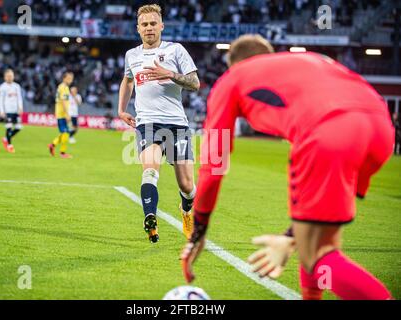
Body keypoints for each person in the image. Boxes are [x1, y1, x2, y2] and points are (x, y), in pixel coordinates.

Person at [181, 35, 394, 300]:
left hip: (328, 134)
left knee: (316, 255)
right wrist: (291, 235)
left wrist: (198, 229)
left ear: (233, 64)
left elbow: (214, 163)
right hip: (381, 128)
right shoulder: (310, 59)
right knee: (322, 244)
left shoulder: (234, 78)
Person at [118, 4, 200, 243]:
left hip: (177, 124)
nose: (149, 28)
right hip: (148, 124)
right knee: (150, 170)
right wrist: (121, 109)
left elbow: (195, 83)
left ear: (161, 26)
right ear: (138, 29)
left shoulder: (176, 50)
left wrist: (170, 74)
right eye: (144, 25)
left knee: (187, 186)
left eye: (153, 23)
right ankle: (150, 218)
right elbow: (128, 80)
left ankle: (186, 210)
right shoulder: (131, 55)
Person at [48, 72, 74, 159]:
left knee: (65, 133)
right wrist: (67, 114)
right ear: (64, 78)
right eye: (69, 78)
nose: (70, 80)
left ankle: (53, 144)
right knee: (66, 133)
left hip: (62, 113)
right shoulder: (63, 87)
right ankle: (62, 153)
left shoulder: (65, 87)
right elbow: (63, 101)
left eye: (71, 78)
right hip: (61, 114)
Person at [0, 69, 23, 153]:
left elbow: (19, 98)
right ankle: (9, 145)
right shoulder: (2, 87)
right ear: (5, 77)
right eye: (8, 76)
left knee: (18, 127)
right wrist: (2, 111)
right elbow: (0, 100)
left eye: (11, 76)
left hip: (16, 110)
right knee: (9, 126)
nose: (10, 78)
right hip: (7, 110)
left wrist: (20, 107)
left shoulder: (17, 86)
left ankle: (5, 138)